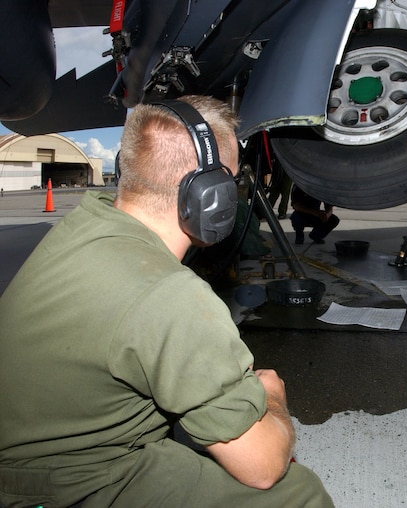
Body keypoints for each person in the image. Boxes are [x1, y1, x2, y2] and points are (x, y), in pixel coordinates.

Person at [0, 96, 333, 507]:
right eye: (230, 183)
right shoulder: (169, 294)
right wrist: (274, 401)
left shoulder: (88, 222)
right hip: (62, 485)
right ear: (210, 197)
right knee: (298, 493)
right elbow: (262, 467)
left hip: (24, 455)